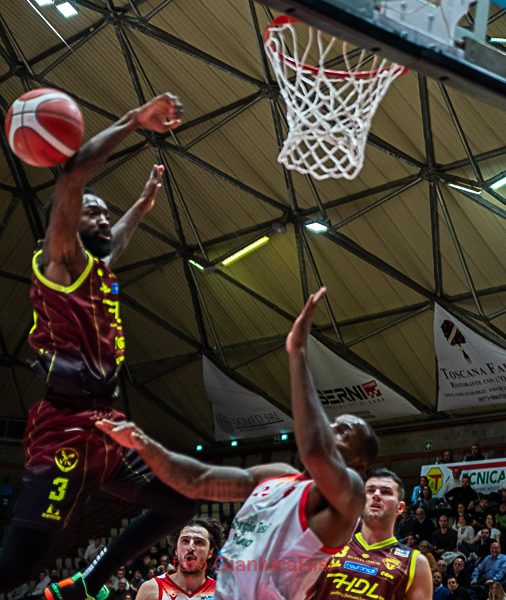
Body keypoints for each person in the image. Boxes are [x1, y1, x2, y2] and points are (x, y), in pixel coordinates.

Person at [0, 93, 197, 597]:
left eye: (105, 212)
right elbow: (71, 179)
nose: (104, 218)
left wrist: (142, 204)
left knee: (181, 504)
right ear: (64, 225)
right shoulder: (58, 263)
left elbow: (121, 237)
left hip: (105, 428)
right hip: (63, 429)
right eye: (92, 212)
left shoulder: (97, 269)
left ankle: (90, 583)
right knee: (17, 568)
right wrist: (134, 119)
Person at [95, 288, 380, 600]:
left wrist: (297, 352)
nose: (329, 431)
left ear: (359, 464)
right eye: (331, 425)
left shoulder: (350, 495)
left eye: (342, 434)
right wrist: (143, 443)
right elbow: (197, 480)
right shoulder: (277, 475)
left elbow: (313, 449)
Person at [308, 468, 432, 599]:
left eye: (385, 492)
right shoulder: (327, 546)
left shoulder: (415, 562)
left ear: (400, 507)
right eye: (370, 490)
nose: (376, 495)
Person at [135, 517, 223, 600]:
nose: (190, 548)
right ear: (176, 550)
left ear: (210, 552)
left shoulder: (222, 594)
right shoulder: (151, 590)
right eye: (185, 540)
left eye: (199, 542)